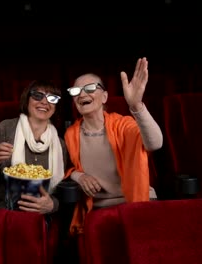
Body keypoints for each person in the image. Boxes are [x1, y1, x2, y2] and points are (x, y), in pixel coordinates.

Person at [64, 57, 163, 235]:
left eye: (90, 88)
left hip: (138, 202)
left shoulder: (123, 124)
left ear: (105, 97)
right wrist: (79, 177)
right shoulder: (70, 134)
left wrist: (136, 106)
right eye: (77, 90)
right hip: (100, 210)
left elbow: (155, 143)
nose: (82, 94)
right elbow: (66, 168)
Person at [0, 80, 68, 214]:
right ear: (26, 100)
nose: (45, 102)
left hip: (37, 214)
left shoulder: (60, 144)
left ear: (56, 107)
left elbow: (63, 190)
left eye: (52, 98)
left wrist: (53, 205)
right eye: (38, 96)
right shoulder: (5, 129)